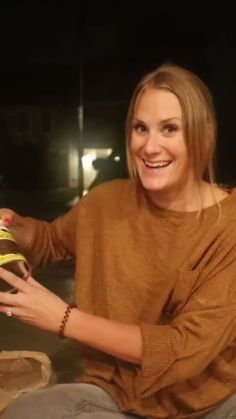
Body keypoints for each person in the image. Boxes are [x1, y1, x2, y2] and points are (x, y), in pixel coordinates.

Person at [0, 63, 236, 419]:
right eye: (140, 128)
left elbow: (182, 351)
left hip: (210, 403)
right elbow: (51, 240)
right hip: (115, 396)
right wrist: (11, 226)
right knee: (25, 412)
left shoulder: (228, 226)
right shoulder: (106, 200)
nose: (149, 146)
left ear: (204, 135)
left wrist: (63, 318)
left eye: (169, 129)